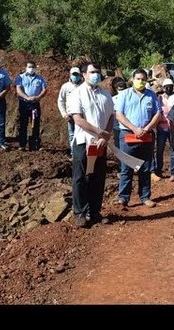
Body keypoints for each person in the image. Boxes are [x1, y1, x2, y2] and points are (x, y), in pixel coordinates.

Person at [69, 61, 114, 228]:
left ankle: (95, 211)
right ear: (84, 75)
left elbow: (111, 117)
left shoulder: (105, 94)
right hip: (84, 143)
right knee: (81, 177)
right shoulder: (77, 93)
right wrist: (98, 132)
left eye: (97, 72)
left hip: (100, 144)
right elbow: (78, 119)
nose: (96, 74)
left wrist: (106, 136)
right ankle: (80, 212)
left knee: (97, 177)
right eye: (92, 72)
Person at [115, 68, 161, 208]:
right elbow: (119, 114)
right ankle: (124, 197)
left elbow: (157, 113)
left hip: (146, 135)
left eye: (143, 79)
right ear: (132, 80)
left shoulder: (151, 96)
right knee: (126, 168)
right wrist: (134, 128)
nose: (140, 81)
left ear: (146, 80)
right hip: (128, 135)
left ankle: (145, 196)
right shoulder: (124, 94)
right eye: (138, 79)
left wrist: (146, 128)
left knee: (145, 167)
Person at [15, 61, 48, 151]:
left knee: (36, 123)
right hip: (24, 103)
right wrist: (27, 97)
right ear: (26, 67)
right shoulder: (20, 77)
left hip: (35, 104)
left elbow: (44, 89)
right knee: (23, 123)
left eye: (33, 67)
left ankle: (36, 144)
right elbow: (18, 90)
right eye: (29, 67)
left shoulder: (40, 78)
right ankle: (22, 144)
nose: (31, 69)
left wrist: (38, 97)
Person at [152, 78, 174, 181]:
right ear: (163, 87)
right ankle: (158, 170)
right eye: (167, 87)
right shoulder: (159, 98)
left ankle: (173, 172)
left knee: (173, 150)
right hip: (161, 128)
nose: (169, 88)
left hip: (173, 128)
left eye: (170, 86)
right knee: (160, 150)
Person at [57, 66, 83, 155]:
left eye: (77, 74)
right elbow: (61, 100)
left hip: (83, 116)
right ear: (70, 75)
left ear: (80, 75)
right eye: (73, 74)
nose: (75, 76)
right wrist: (64, 114)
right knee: (72, 135)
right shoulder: (65, 87)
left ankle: (83, 153)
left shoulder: (84, 86)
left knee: (83, 135)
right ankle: (74, 153)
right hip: (70, 116)